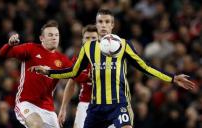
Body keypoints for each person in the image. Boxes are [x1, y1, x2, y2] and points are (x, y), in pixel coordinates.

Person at [30, 9, 196, 128]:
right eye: (100, 22)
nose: (103, 25)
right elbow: (73, 72)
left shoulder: (123, 45)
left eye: (107, 22)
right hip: (96, 107)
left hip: (118, 104)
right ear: (96, 24)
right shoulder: (88, 48)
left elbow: (145, 67)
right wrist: (49, 72)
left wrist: (172, 78)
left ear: (112, 25)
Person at [0, 20, 85, 128]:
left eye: (56, 35)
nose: (54, 37)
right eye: (50, 35)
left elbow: (80, 77)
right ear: (41, 38)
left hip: (48, 109)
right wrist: (9, 45)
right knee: (36, 124)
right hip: (26, 103)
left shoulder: (62, 60)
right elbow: (3, 53)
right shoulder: (31, 49)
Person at [58, 25, 98, 128]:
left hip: (106, 103)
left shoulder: (108, 58)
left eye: (93, 38)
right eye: (87, 38)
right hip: (85, 103)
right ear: (83, 40)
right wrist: (63, 108)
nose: (90, 40)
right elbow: (71, 83)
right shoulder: (77, 61)